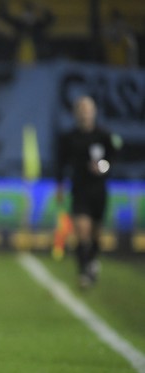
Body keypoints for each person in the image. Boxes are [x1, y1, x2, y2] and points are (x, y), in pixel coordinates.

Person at [55, 95, 117, 288]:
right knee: (82, 231)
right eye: (81, 109)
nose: (85, 112)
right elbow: (61, 164)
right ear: (76, 113)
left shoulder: (104, 136)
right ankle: (83, 272)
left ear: (94, 112)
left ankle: (92, 262)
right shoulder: (70, 138)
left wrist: (102, 167)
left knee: (96, 234)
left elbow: (112, 160)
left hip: (98, 191)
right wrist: (59, 186)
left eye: (88, 109)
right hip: (79, 189)